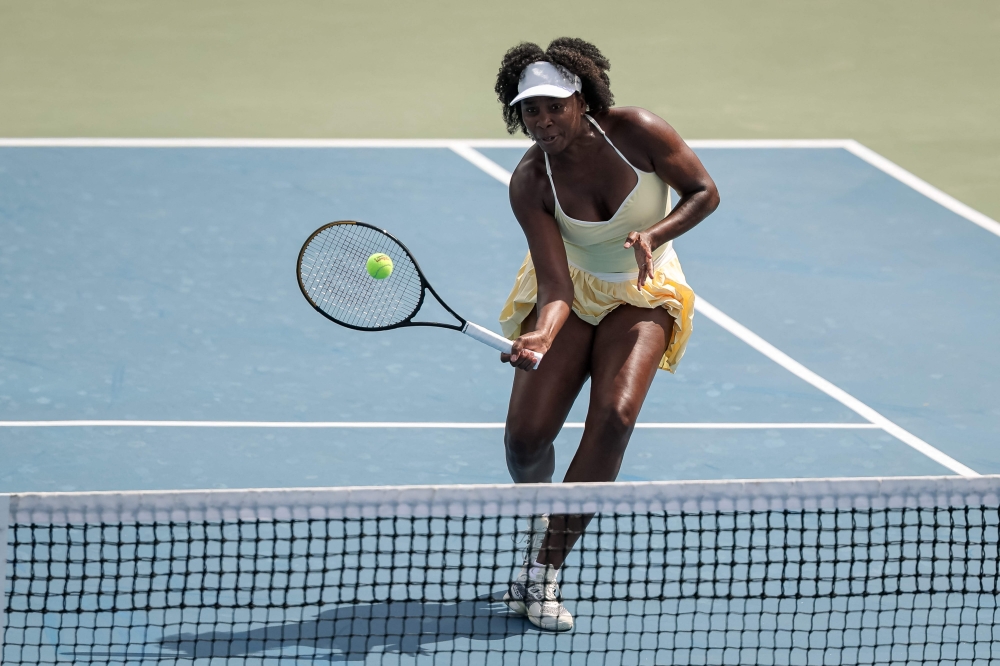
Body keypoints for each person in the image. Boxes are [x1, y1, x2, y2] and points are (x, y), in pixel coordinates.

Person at [494, 38, 720, 631]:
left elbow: (704, 192)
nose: (543, 120)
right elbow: (555, 287)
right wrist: (542, 336)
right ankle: (542, 513)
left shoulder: (638, 131)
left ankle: (542, 571)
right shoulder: (530, 182)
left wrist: (655, 234)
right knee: (525, 441)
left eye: (554, 106)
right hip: (571, 288)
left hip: (644, 288)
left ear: (581, 100)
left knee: (615, 416)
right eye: (530, 110)